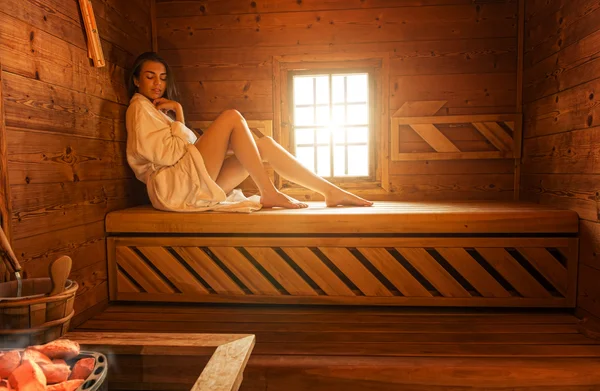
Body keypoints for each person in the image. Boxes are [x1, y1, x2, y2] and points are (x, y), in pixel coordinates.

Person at [125, 52, 373, 211]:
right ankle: (269, 193)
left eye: (162, 78)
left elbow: (183, 149)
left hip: (188, 181)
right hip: (171, 188)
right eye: (150, 77)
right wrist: (179, 114)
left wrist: (226, 146)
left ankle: (329, 191)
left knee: (262, 144)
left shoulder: (157, 110)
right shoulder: (138, 108)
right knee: (231, 116)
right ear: (137, 80)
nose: (158, 83)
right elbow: (168, 156)